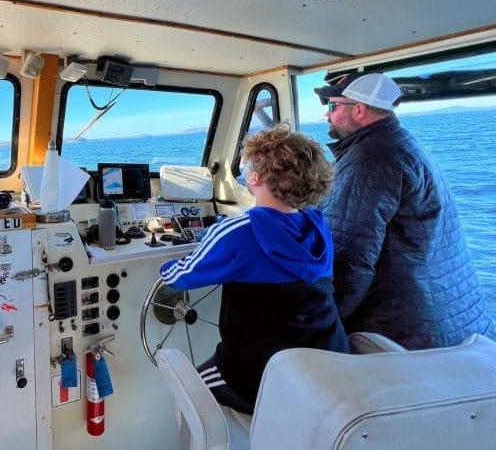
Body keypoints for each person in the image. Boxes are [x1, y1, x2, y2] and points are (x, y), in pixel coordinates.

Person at [160, 126, 349, 413]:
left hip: (260, 378)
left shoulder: (239, 231)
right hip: (329, 366)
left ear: (255, 177)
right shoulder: (317, 227)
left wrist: (166, 264)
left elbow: (180, 277)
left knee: (188, 394)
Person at [315, 71, 492, 349]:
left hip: (409, 330)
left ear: (359, 110)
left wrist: (322, 324)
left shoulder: (371, 158)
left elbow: (350, 256)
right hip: (452, 317)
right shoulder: (400, 143)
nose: (327, 115)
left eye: (332, 106)